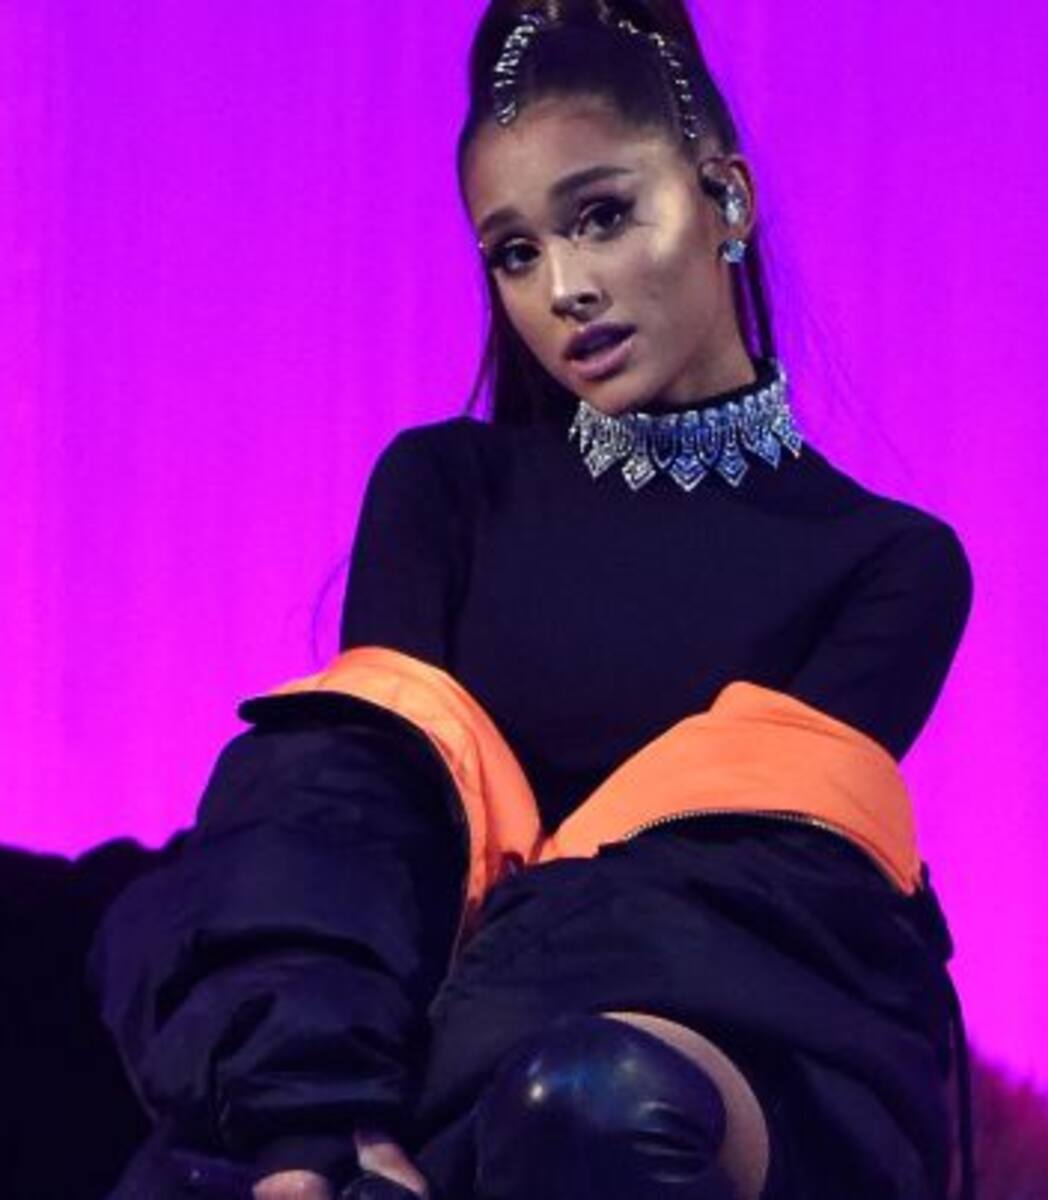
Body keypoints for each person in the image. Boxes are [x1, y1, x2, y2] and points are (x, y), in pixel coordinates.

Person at [87, 2, 976, 1197]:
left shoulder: (892, 563)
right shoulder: (445, 490)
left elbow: (735, 898)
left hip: (699, 1032)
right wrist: (323, 1130)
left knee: (591, 1102)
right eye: (515, 251)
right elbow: (361, 815)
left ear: (726, 198)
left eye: (602, 217)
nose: (564, 288)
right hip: (393, 1054)